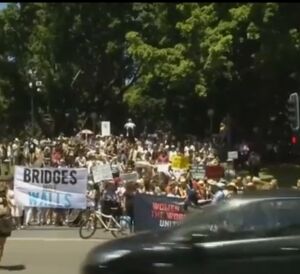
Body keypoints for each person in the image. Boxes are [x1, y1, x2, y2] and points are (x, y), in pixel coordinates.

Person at [0, 181, 13, 263]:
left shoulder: (6, 198)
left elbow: (10, 209)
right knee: (2, 245)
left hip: (4, 221)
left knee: (2, 245)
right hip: (4, 221)